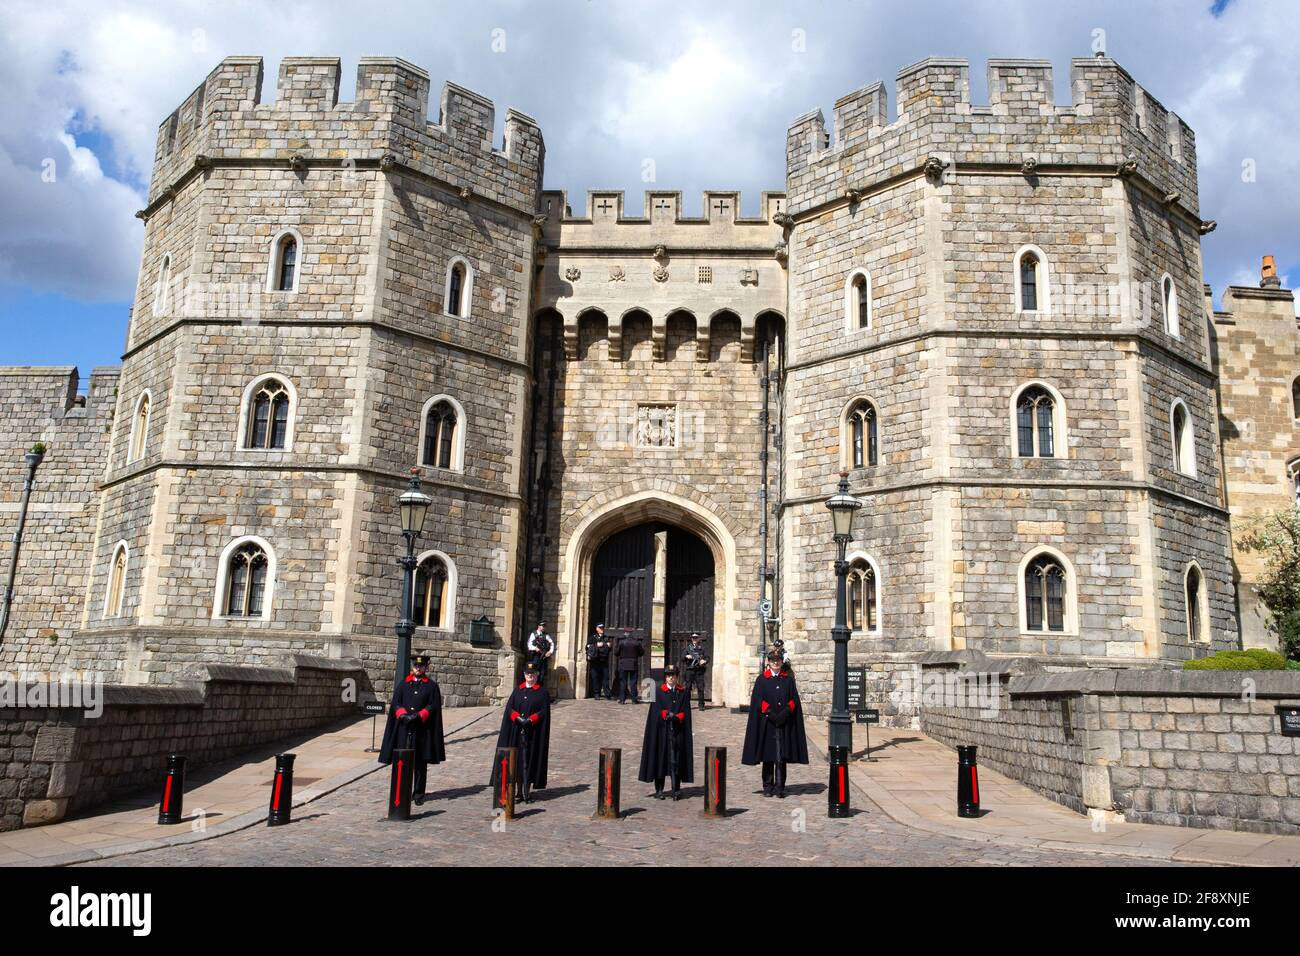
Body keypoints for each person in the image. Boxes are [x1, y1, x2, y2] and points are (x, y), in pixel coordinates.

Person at [378, 652, 446, 806]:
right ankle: (403, 790)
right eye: (416, 666)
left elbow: (433, 706)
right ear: (412, 667)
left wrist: (419, 715)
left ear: (426, 667)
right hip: (404, 728)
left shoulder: (431, 686)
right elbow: (396, 702)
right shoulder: (403, 684)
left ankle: (419, 793)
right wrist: (403, 715)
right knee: (403, 761)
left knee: (420, 763)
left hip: (422, 730)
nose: (418, 668)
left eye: (421, 666)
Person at [741, 648, 809, 798]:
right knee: (768, 756)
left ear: (781, 662)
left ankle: (780, 787)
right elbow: (758, 700)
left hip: (783, 722)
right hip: (768, 723)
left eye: (778, 661)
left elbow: (794, 700)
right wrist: (770, 713)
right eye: (773, 661)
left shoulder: (788, 680)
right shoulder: (762, 680)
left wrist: (784, 713)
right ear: (769, 663)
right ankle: (767, 786)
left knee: (781, 756)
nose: (776, 663)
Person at [490, 662, 552, 803]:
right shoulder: (518, 690)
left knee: (529, 761)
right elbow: (509, 709)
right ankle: (517, 791)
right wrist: (517, 718)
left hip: (532, 733)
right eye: (527, 673)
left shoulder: (542, 693)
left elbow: (543, 712)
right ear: (524, 675)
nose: (530, 676)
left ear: (536, 675)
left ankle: (526, 791)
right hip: (517, 731)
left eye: (532, 673)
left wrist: (531, 720)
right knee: (516, 761)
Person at [638, 664, 693, 800]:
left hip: (677, 731)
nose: (671, 678)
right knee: (660, 759)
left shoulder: (683, 692)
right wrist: (663, 714)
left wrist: (679, 716)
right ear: (666, 677)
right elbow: (654, 711)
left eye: (673, 676)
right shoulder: (658, 691)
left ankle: (676, 789)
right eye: (668, 676)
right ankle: (659, 789)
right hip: (662, 731)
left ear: (676, 677)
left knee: (676, 761)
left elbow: (686, 711)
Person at [681, 633, 709, 711]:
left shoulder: (702, 648)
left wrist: (704, 661)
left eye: (696, 638)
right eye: (693, 638)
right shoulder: (688, 648)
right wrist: (686, 656)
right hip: (690, 670)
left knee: (700, 687)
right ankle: (686, 705)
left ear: (699, 638)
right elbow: (682, 658)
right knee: (688, 688)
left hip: (699, 670)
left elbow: (707, 657)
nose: (694, 639)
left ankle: (701, 705)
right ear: (691, 639)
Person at [615, 628, 644, 704]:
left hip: (623, 664)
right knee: (633, 683)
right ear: (631, 633)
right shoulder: (636, 642)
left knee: (623, 682)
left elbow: (616, 653)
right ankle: (634, 700)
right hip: (633, 664)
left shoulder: (621, 642)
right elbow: (641, 652)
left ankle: (622, 700)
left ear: (626, 633)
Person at [586, 622, 614, 699]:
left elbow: (609, 647)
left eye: (602, 628)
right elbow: (587, 647)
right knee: (595, 678)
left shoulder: (606, 638)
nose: (602, 629)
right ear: (597, 629)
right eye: (600, 628)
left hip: (604, 661)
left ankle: (607, 694)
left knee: (605, 678)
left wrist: (603, 645)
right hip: (595, 661)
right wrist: (597, 645)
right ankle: (596, 694)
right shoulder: (593, 638)